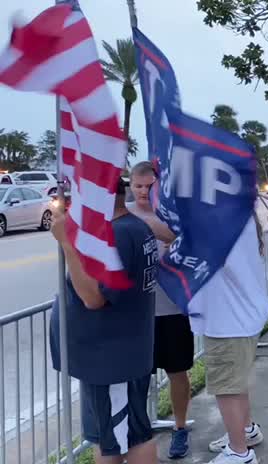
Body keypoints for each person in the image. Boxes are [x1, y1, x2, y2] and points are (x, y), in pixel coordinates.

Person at [49, 178, 158, 464]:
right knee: (111, 437)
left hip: (112, 361)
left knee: (129, 438)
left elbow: (93, 298)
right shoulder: (132, 227)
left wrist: (67, 244)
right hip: (114, 357)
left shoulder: (118, 236)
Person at [189, 212, 268, 464]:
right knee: (237, 381)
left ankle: (239, 452)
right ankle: (245, 431)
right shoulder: (237, 213)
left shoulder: (221, 218)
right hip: (240, 315)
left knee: (227, 387)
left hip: (229, 319)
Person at [126, 161, 193, 459]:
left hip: (173, 308)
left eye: (148, 186)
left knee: (178, 371)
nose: (143, 192)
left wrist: (163, 231)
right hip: (137, 315)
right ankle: (139, 432)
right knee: (137, 378)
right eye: (137, 186)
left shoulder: (173, 214)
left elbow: (190, 248)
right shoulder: (123, 215)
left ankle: (180, 428)